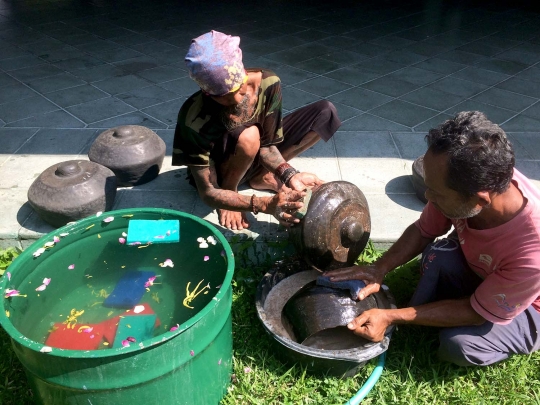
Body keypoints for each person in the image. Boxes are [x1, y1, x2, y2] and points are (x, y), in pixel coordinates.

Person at [324, 111, 540, 366]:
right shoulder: (478, 175)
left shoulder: (531, 253)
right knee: (438, 256)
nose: (428, 196)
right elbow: (423, 230)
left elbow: (474, 313)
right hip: (487, 271)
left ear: (480, 200)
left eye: (436, 193)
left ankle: (514, 333)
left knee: (460, 345)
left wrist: (392, 316)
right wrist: (378, 268)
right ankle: (435, 308)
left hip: (526, 307)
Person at [172, 30, 341, 230]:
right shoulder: (193, 117)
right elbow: (208, 191)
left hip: (254, 154)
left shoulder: (269, 83)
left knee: (325, 113)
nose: (236, 101)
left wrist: (289, 175)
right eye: (224, 98)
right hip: (219, 172)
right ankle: (230, 190)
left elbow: (268, 146)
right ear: (207, 93)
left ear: (243, 72)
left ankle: (264, 176)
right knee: (249, 134)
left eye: (239, 89)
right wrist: (261, 204)